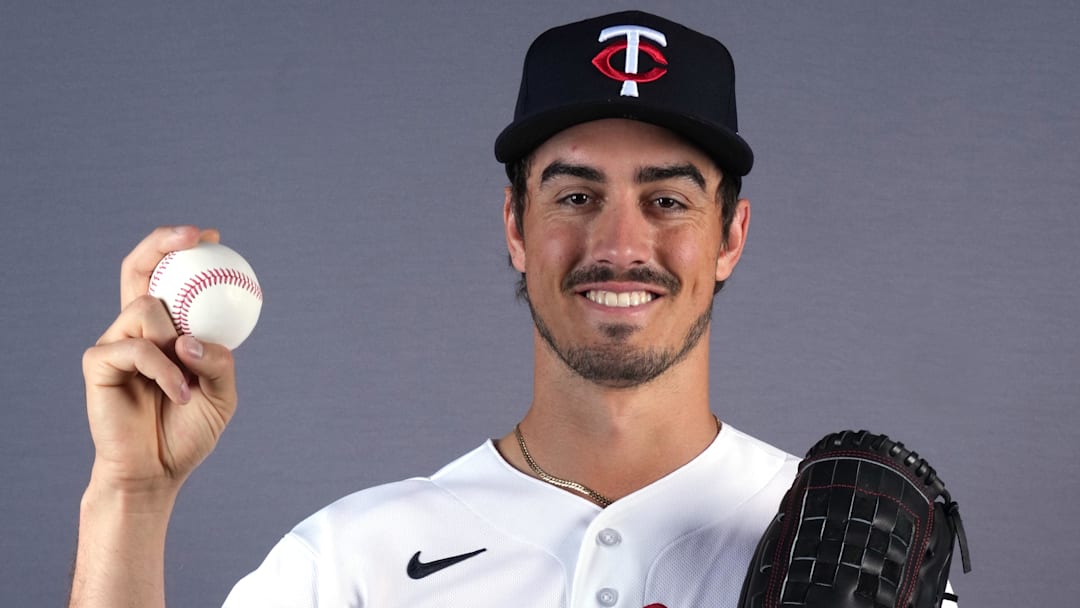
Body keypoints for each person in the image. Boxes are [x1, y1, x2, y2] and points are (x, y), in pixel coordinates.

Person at [70, 10, 870, 607]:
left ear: (730, 236)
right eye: (576, 194)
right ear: (516, 226)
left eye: (666, 200)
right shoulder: (354, 562)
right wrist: (130, 499)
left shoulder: (849, 547)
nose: (621, 243)